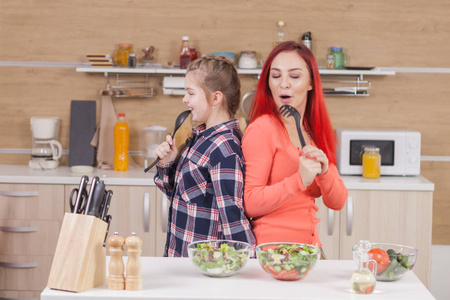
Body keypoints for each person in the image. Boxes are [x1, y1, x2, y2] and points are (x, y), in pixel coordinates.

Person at [242, 41, 348, 249]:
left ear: (310, 83)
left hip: (309, 250)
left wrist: (325, 172)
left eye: (294, 76)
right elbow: (250, 203)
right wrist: (299, 179)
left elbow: (338, 201)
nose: (284, 84)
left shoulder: (313, 131)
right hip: (273, 253)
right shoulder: (263, 129)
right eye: (276, 76)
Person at [153, 56, 256, 257]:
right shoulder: (200, 138)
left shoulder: (225, 149)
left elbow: (232, 218)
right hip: (182, 262)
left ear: (216, 98)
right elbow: (181, 197)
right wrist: (168, 163)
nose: (185, 99)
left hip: (202, 271)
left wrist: (250, 269)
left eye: (190, 93)